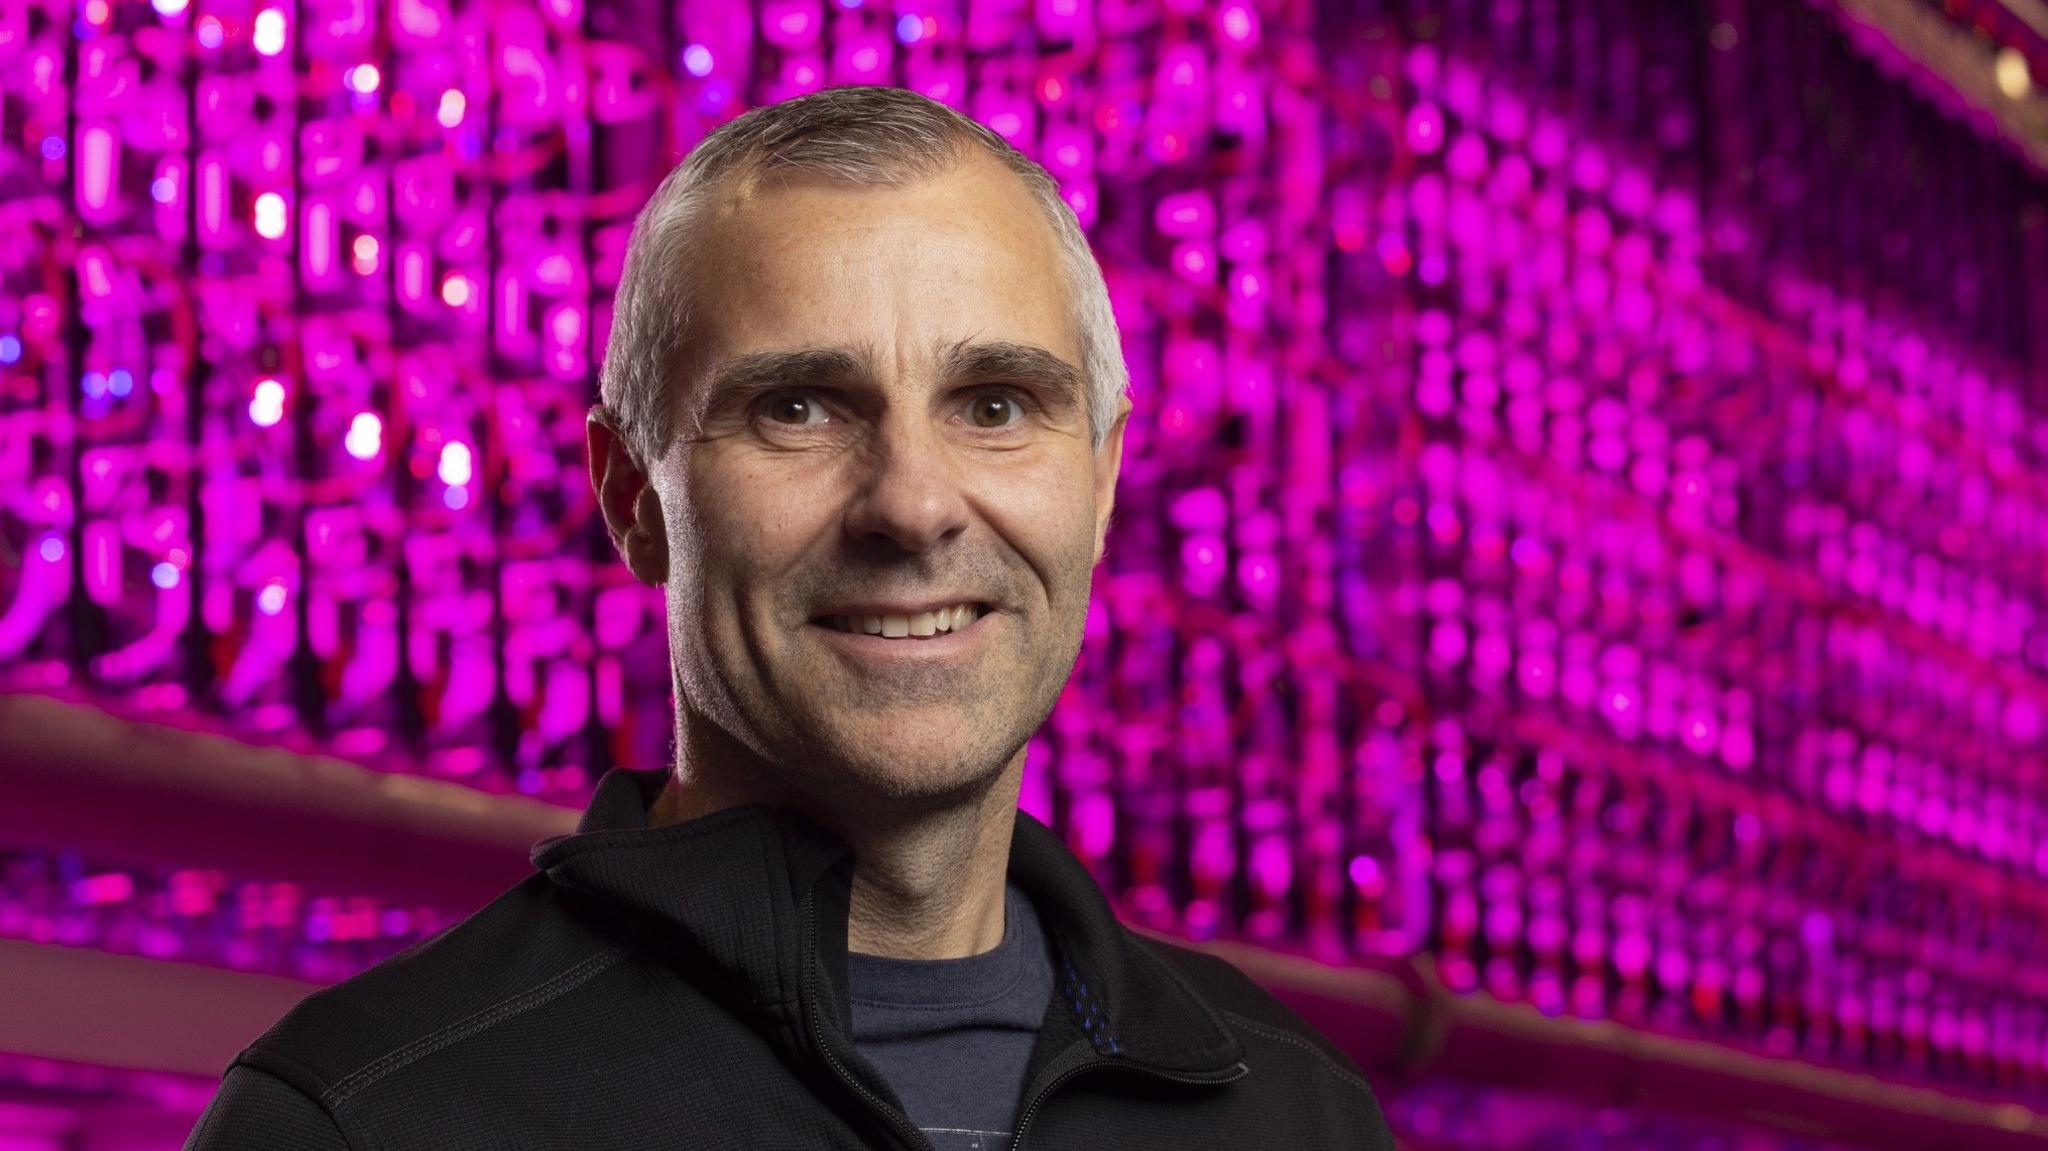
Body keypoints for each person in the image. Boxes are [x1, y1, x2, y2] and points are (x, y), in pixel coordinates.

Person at [186, 85, 1396, 1150]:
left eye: (993, 403)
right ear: (632, 497)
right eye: (802, 408)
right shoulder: (367, 1120)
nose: (913, 505)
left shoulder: (1297, 1112)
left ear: (1098, 477)